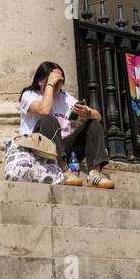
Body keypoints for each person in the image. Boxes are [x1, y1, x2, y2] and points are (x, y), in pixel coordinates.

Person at [17, 60, 114, 189]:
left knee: (93, 124)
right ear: (41, 80)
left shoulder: (65, 98)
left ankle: (95, 174)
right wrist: (50, 85)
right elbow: (44, 110)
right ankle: (63, 170)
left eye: (60, 81)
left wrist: (86, 112)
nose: (58, 84)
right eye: (53, 79)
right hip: (39, 148)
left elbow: (98, 116)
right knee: (48, 119)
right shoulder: (29, 95)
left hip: (64, 150)